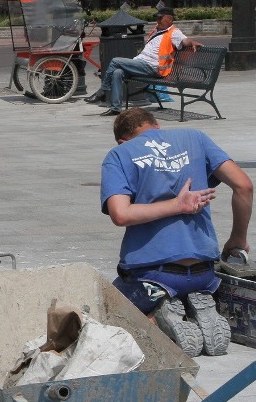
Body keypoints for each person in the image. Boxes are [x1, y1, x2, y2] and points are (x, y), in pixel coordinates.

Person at [100, 107, 252, 357]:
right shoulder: (196, 138)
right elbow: (244, 186)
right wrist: (237, 239)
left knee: (108, 306)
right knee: (194, 285)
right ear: (157, 126)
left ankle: (158, 318)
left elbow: (121, 214)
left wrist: (176, 205)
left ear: (122, 140)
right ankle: (196, 305)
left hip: (152, 277)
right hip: (205, 272)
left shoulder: (119, 155)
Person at [87, 6, 201, 116]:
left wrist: (192, 42)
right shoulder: (157, 31)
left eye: (160, 18)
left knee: (115, 61)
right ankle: (115, 108)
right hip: (141, 64)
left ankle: (103, 91)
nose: (157, 20)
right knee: (117, 73)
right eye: (157, 18)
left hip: (153, 68)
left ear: (170, 19)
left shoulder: (174, 33)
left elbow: (184, 40)